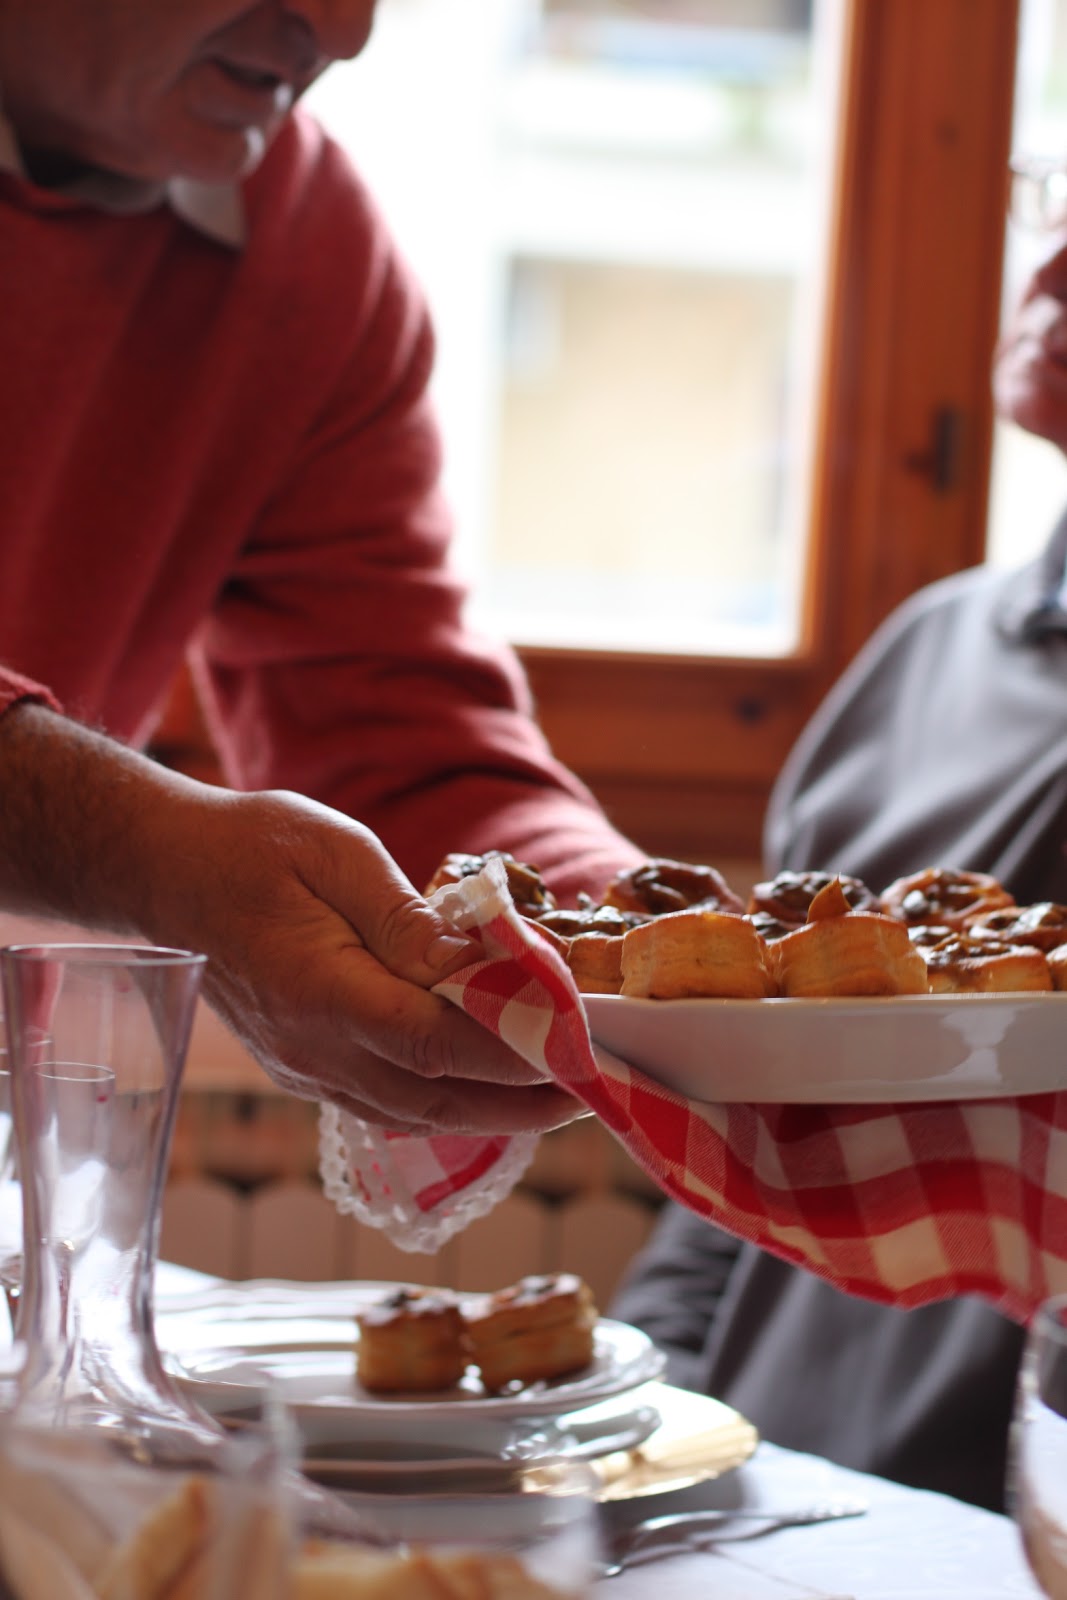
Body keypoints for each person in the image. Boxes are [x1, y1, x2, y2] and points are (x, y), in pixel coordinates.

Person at [0, 0, 645, 1138]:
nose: (343, 30)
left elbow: (388, 732)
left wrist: (649, 934)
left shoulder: (308, 242)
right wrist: (141, 849)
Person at [610, 227, 1067, 1514]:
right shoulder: (921, 651)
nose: (1056, 261)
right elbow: (745, 1122)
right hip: (758, 1481)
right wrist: (651, 1407)